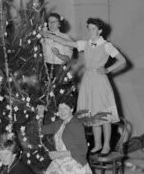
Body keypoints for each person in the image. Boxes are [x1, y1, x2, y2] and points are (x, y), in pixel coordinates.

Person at [44, 17, 126, 156]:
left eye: (93, 29)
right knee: (93, 114)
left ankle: (106, 145)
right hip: (88, 80)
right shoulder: (85, 44)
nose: (91, 31)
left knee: (104, 115)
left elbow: (122, 61)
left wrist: (107, 70)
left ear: (99, 30)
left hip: (100, 81)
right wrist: (49, 35)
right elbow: (65, 42)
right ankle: (98, 144)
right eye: (89, 28)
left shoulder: (106, 45)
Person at [37, 100, 112, 174]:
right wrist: (40, 115)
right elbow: (41, 130)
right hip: (60, 162)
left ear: (71, 109)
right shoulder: (60, 123)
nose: (62, 112)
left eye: (65, 108)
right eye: (60, 109)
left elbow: (83, 150)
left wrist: (59, 154)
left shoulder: (76, 124)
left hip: (75, 162)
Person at [42, 13, 74, 77]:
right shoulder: (43, 36)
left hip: (59, 70)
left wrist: (58, 54)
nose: (51, 24)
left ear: (59, 24)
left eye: (54, 22)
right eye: (49, 21)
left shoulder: (65, 38)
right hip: (45, 69)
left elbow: (68, 58)